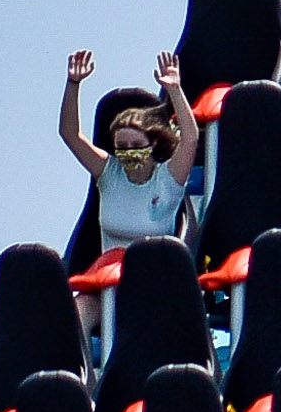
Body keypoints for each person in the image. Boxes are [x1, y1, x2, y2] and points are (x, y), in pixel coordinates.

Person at [60, 50, 199, 334]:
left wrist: (174, 89)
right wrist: (73, 84)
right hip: (105, 283)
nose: (128, 153)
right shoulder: (108, 173)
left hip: (153, 284)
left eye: (135, 145)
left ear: (152, 144)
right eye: (122, 147)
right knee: (73, 316)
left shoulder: (168, 178)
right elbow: (70, 135)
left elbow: (191, 138)